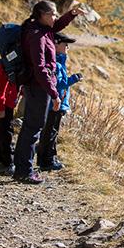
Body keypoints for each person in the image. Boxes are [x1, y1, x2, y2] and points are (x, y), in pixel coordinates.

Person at [13, 0, 85, 184]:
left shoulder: (41, 29)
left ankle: (22, 168)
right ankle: (24, 171)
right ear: (42, 15)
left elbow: (57, 25)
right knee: (33, 127)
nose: (55, 17)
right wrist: (53, 93)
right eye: (52, 14)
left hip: (39, 86)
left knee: (31, 126)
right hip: (39, 87)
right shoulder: (37, 36)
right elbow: (40, 68)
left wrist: (71, 14)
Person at [37, 33, 82, 171]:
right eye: (65, 44)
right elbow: (59, 84)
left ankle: (47, 159)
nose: (67, 46)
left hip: (55, 103)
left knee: (50, 131)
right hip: (55, 104)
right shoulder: (56, 63)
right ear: (55, 44)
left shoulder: (58, 61)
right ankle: (48, 160)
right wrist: (74, 78)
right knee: (51, 132)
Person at [0, 65, 20, 175]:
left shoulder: (12, 64)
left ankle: (0, 163)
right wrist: (0, 108)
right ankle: (8, 163)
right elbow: (0, 87)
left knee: (0, 132)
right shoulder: (8, 65)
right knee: (5, 133)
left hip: (6, 104)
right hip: (4, 105)